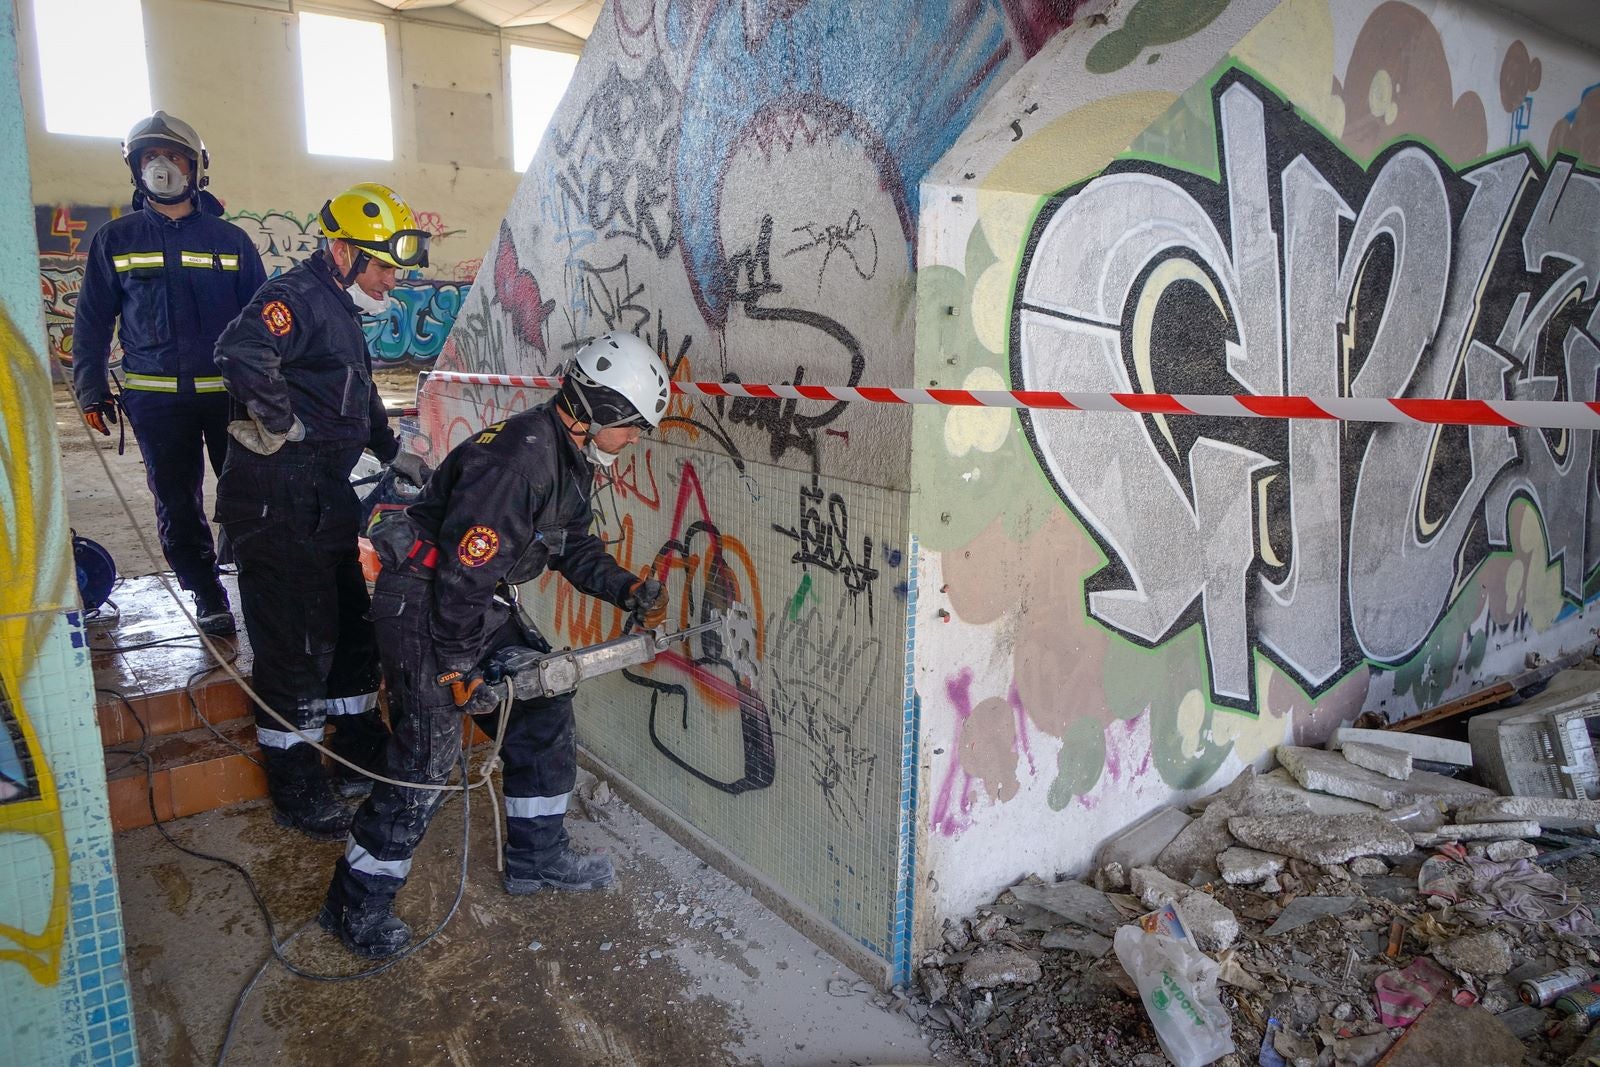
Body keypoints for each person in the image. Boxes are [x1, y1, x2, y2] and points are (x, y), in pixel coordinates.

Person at [317, 332, 672, 958]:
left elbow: (572, 547)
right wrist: (456, 667)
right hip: (428, 603)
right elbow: (464, 573)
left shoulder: (567, 456)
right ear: (601, 414)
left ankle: (537, 858)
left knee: (542, 701)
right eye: (635, 426)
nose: (637, 438)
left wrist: (629, 590)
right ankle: (354, 906)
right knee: (426, 762)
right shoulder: (519, 462)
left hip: (468, 601)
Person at [212, 182, 431, 839]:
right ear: (343, 251)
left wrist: (395, 453)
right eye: (383, 264)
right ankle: (297, 785)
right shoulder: (297, 297)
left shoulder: (340, 309)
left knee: (351, 630)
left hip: (323, 499)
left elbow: (358, 398)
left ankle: (358, 745)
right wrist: (282, 424)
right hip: (276, 503)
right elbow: (238, 351)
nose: (392, 278)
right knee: (295, 648)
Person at [72, 110, 268, 635]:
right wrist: (90, 388)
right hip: (157, 404)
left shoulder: (231, 241)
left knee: (249, 497)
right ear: (135, 169)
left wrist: (272, 393)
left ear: (197, 167)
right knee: (177, 502)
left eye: (173, 157)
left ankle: (259, 584)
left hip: (230, 399)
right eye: (149, 158)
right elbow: (92, 320)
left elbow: (264, 323)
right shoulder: (116, 240)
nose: (161, 167)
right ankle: (206, 593)